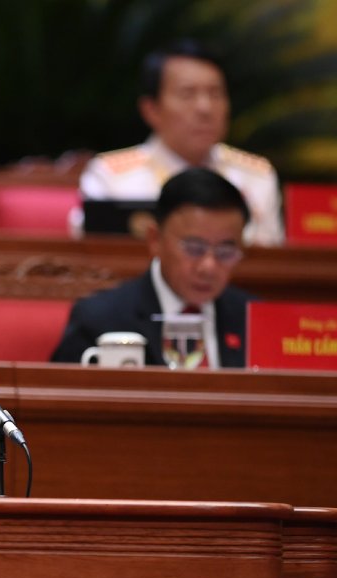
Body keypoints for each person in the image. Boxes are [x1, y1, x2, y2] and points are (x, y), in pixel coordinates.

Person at [79, 39, 284, 246]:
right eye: (187, 94)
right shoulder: (111, 178)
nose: (205, 108)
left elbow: (273, 258)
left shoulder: (256, 177)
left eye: (215, 94)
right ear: (151, 109)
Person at [52, 167, 253, 368]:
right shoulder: (98, 319)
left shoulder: (253, 319)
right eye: (194, 248)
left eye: (225, 252)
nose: (208, 267)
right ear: (155, 239)